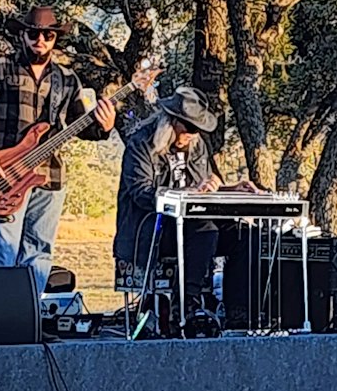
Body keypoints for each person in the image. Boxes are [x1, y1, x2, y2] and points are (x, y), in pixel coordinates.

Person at [0, 6, 117, 293]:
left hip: (50, 176)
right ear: (22, 35)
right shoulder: (0, 69)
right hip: (5, 176)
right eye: (34, 34)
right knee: (3, 249)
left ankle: (31, 311)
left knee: (39, 252)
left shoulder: (67, 79)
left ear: (55, 39)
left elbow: (81, 126)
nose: (41, 40)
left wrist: (105, 127)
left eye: (48, 35)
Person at [112, 87, 261, 326]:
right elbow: (141, 193)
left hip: (194, 226)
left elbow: (203, 190)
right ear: (170, 121)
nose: (193, 134)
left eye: (198, 129)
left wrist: (230, 189)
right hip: (153, 231)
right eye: (189, 127)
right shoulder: (141, 144)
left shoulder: (197, 145)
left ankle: (239, 312)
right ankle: (185, 304)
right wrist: (188, 193)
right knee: (205, 229)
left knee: (246, 235)